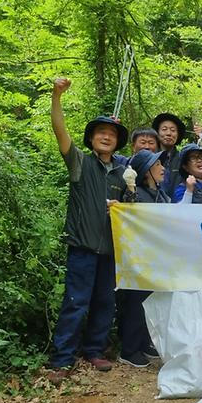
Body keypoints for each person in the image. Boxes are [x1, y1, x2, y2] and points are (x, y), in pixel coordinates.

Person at [47, 77, 129, 385]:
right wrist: (57, 96)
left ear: (117, 142)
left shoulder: (123, 174)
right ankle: (61, 359)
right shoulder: (79, 163)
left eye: (111, 134)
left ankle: (94, 349)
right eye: (101, 133)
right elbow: (60, 131)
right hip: (82, 247)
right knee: (75, 302)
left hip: (110, 250)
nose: (106, 137)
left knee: (105, 303)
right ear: (92, 139)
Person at [116, 150, 169, 369]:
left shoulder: (159, 193)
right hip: (139, 258)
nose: (163, 168)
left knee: (150, 302)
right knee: (136, 303)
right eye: (157, 165)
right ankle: (129, 349)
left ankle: (144, 342)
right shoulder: (136, 194)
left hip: (155, 256)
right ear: (147, 171)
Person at [152, 113, 187, 199]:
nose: (168, 133)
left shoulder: (183, 159)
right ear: (157, 132)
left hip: (178, 207)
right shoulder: (150, 159)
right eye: (164, 129)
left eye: (173, 130)